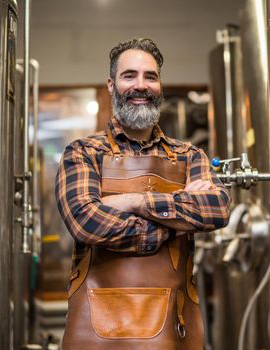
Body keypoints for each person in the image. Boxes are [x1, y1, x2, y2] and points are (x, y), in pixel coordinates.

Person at [55, 38, 231, 349]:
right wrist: (173, 224)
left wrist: (133, 201)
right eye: (129, 76)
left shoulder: (189, 155)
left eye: (150, 76)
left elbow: (217, 208)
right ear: (111, 85)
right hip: (93, 335)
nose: (141, 85)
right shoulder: (83, 153)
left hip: (173, 331)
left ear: (160, 85)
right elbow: (85, 221)